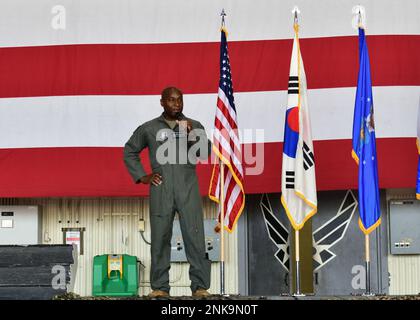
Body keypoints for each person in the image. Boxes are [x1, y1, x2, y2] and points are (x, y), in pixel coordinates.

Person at [123, 87, 212, 298]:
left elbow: (205, 153)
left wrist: (191, 135)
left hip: (187, 187)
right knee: (160, 238)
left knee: (195, 236)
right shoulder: (150, 128)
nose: (177, 104)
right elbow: (130, 150)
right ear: (162, 102)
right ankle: (160, 287)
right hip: (161, 189)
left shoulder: (194, 125)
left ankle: (200, 287)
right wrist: (142, 176)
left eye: (180, 100)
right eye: (171, 100)